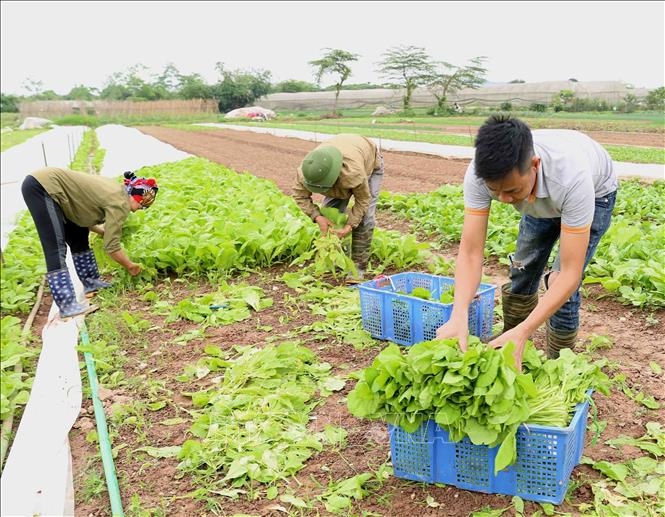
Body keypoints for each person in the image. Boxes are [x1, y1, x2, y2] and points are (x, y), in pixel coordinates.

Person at [436, 114, 617, 368]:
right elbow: (470, 253)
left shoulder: (571, 178)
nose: (504, 199)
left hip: (595, 193)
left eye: (511, 191)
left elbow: (569, 272)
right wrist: (458, 314)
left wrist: (527, 330)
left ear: (534, 164)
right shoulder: (480, 174)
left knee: (558, 279)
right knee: (522, 267)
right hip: (540, 195)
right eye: (494, 190)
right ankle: (509, 341)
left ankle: (560, 360)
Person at [21, 168, 159, 319]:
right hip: (42, 188)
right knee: (55, 247)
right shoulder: (120, 203)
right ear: (135, 197)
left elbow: (85, 216)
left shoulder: (118, 192)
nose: (140, 210)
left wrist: (103, 232)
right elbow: (111, 246)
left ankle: (91, 282)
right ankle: (67, 305)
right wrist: (130, 266)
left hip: (59, 193)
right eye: (142, 205)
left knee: (79, 235)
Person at [292, 133, 384, 283]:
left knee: (365, 218)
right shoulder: (306, 172)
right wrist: (317, 216)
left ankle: (357, 268)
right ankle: (335, 262)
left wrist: (349, 225)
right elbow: (299, 195)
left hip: (369, 162)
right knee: (330, 215)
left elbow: (363, 201)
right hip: (339, 158)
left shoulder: (353, 174)